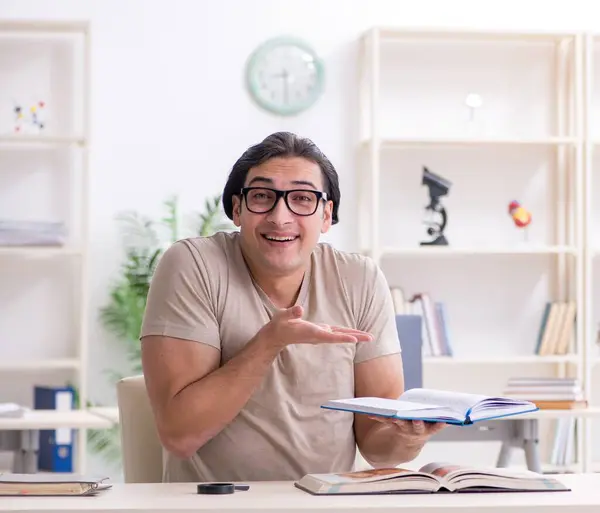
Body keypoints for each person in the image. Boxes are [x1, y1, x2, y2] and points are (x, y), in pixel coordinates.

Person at [140, 131, 445, 483]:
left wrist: (408, 437)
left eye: (302, 198)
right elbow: (180, 435)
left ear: (326, 215)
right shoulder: (194, 265)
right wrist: (269, 343)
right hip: (217, 505)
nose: (280, 216)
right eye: (262, 196)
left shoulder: (358, 279)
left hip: (327, 503)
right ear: (237, 209)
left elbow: (376, 447)